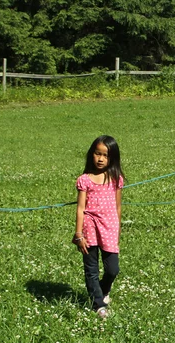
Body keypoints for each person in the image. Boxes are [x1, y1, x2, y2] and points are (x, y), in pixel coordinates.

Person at [72, 135, 125, 319]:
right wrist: (78, 234)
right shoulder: (84, 180)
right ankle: (98, 305)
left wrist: (117, 230)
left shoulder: (116, 178)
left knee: (112, 269)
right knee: (91, 269)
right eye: (97, 154)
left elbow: (118, 207)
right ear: (91, 154)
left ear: (112, 158)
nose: (101, 159)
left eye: (105, 155)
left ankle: (102, 291)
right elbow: (80, 209)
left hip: (109, 227)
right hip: (89, 228)